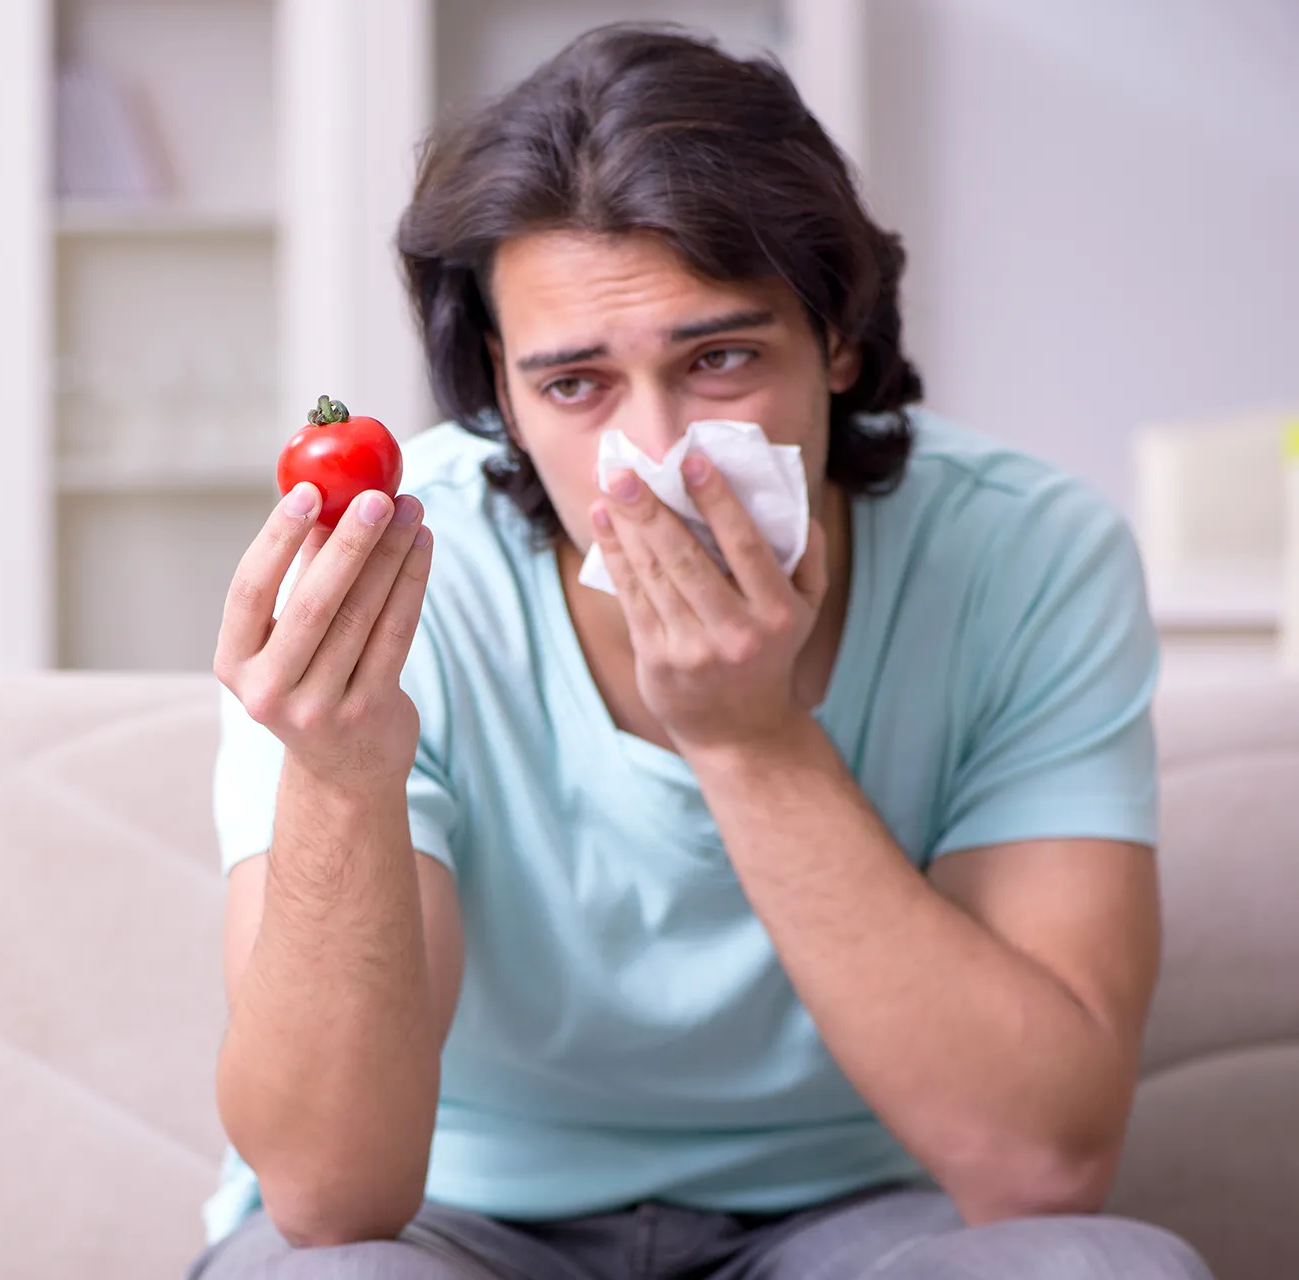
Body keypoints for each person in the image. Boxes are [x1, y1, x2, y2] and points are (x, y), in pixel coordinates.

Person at [189, 23, 1210, 1280]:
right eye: (576, 385)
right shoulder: (389, 572)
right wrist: (341, 777)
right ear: (502, 392)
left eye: (720, 358)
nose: (656, 453)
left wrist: (751, 737)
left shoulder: (1029, 553)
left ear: (838, 339)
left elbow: (1040, 1166)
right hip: (459, 1216)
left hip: (854, 1219)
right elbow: (328, 1196)